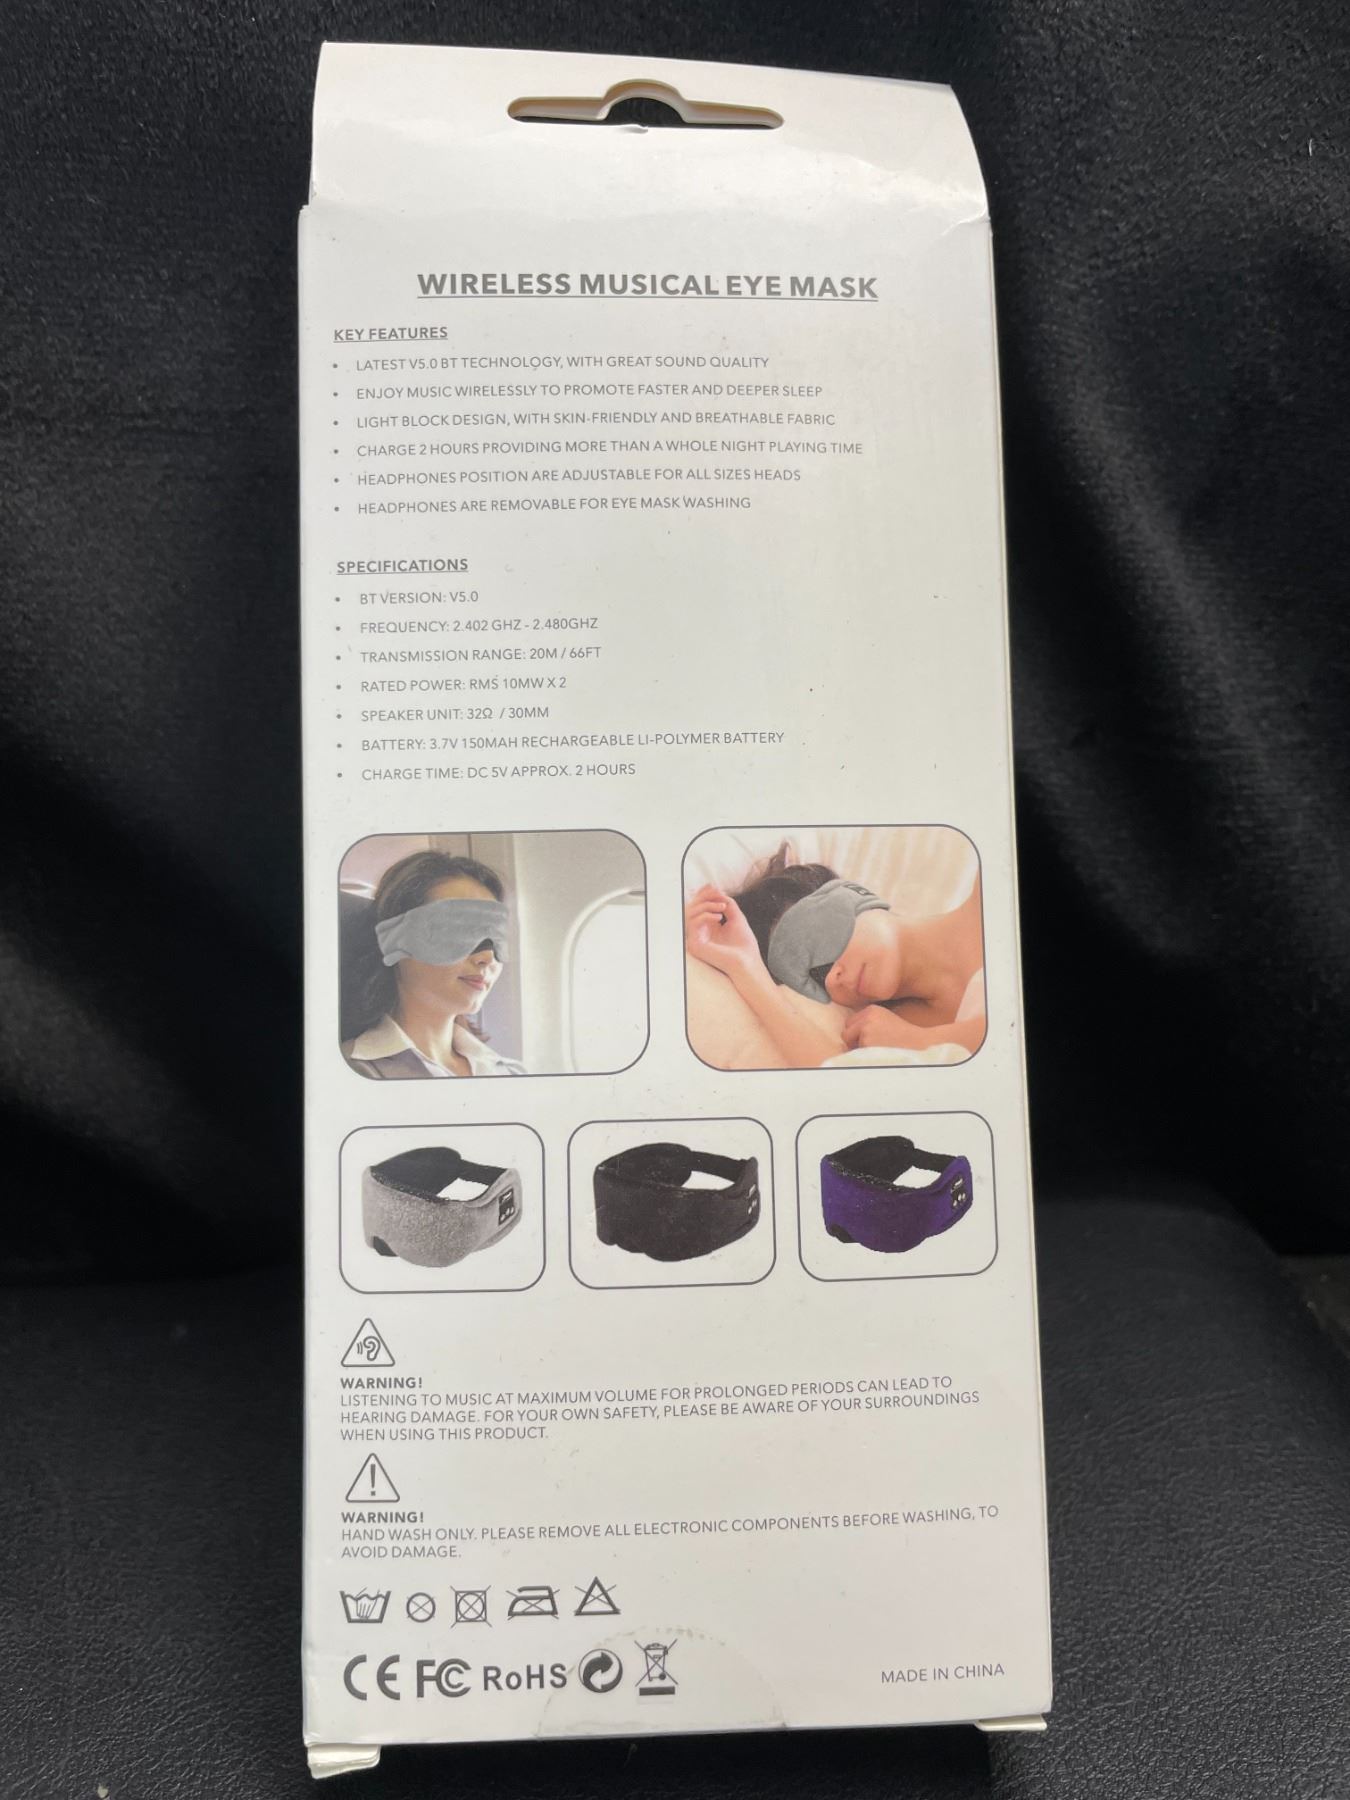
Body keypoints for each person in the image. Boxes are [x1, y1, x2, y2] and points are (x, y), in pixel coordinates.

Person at [684, 844, 986, 1068]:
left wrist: (918, 1041)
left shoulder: (993, 885)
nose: (832, 978)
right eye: (816, 978)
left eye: (818, 944)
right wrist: (746, 968)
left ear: (854, 892)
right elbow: (838, 1075)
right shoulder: (887, 1031)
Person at [342, 851, 525, 1079]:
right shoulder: (352, 1072)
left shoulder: (511, 1072)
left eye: (496, 937)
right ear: (394, 940)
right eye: (460, 931)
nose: (487, 957)